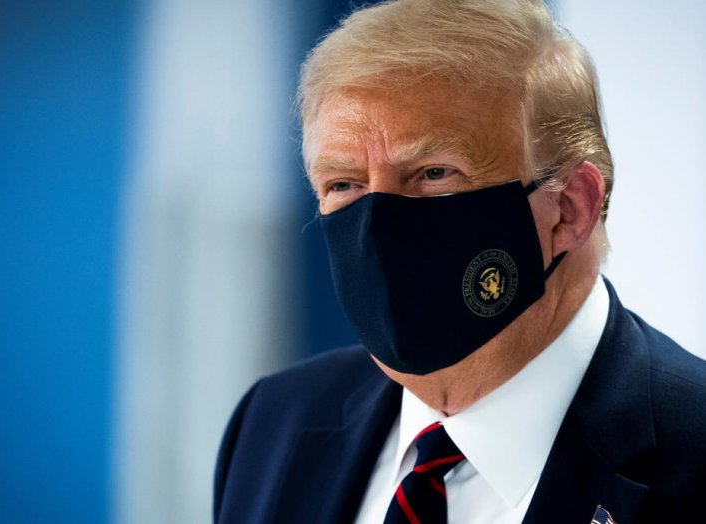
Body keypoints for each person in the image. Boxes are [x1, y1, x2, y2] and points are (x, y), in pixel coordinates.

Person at [214, 1, 706, 522]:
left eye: (434, 173)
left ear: (569, 207)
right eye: (344, 184)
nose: (377, 230)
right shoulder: (273, 423)